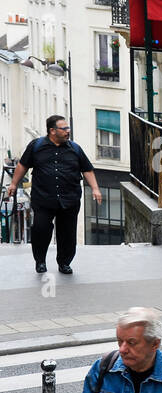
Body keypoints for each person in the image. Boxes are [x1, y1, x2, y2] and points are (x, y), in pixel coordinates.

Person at [4, 114, 102, 275]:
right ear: (52, 131)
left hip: (69, 199)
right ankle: (40, 261)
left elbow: (87, 169)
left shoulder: (75, 149)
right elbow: (23, 165)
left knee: (67, 234)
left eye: (68, 128)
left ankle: (64, 263)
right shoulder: (36, 146)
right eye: (64, 129)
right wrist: (14, 184)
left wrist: (96, 189)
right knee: (41, 230)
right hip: (43, 198)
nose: (67, 131)